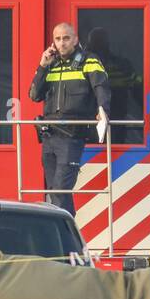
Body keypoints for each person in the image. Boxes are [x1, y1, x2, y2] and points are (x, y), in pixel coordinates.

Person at [28, 22, 111, 214]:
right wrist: (42, 66)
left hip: (72, 136)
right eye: (58, 39)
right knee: (54, 192)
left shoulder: (89, 60)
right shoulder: (51, 64)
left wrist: (102, 109)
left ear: (75, 40)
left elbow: (101, 87)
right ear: (53, 42)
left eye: (66, 38)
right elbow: (34, 96)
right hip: (49, 136)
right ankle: (68, 232)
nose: (62, 43)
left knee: (60, 189)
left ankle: (64, 239)